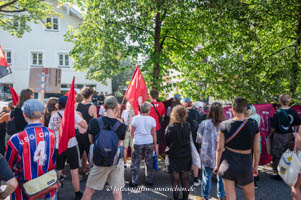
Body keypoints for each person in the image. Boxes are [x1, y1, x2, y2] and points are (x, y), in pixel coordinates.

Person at [6, 99, 57, 200]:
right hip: (48, 186)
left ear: (24, 114)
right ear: (42, 114)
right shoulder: (51, 134)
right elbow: (53, 158)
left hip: (24, 191)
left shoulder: (16, 138)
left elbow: (8, 166)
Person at [214, 97, 260, 200]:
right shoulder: (253, 126)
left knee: (230, 197)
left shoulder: (224, 125)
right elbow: (257, 150)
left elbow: (219, 149)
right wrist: (255, 167)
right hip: (246, 165)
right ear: (246, 110)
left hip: (228, 164)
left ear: (232, 109)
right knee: (250, 198)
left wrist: (217, 166)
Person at [82, 96, 126, 200]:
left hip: (99, 161)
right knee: (117, 192)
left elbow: (91, 141)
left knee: (88, 192)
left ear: (104, 106)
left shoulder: (94, 122)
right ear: (116, 107)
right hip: (115, 161)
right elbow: (119, 144)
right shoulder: (121, 126)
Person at [48, 96, 88, 200]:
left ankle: (55, 194)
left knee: (58, 171)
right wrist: (81, 117)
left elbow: (50, 132)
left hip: (58, 146)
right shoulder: (73, 114)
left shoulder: (53, 116)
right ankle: (77, 194)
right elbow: (85, 126)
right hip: (71, 145)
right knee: (74, 171)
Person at [196, 102, 225, 200]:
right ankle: (221, 196)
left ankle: (205, 196)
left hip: (206, 154)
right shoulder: (225, 125)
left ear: (211, 111)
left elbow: (198, 139)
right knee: (221, 177)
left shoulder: (204, 124)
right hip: (222, 154)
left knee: (206, 176)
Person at [270, 94, 301, 179]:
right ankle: (287, 172)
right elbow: (298, 124)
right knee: (288, 154)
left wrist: (269, 134)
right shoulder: (293, 112)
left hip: (278, 136)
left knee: (278, 155)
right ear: (289, 101)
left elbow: (273, 127)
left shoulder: (278, 112)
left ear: (280, 101)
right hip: (289, 136)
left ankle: (279, 174)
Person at [165, 105, 192, 200]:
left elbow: (167, 141)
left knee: (175, 180)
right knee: (185, 179)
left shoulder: (170, 127)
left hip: (174, 155)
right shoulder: (188, 126)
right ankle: (185, 198)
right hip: (186, 155)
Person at [130, 102, 157, 187]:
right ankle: (149, 180)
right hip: (149, 141)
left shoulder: (135, 118)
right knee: (149, 161)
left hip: (137, 141)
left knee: (136, 162)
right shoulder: (152, 119)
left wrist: (132, 139)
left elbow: (132, 131)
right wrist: (155, 144)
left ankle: (135, 181)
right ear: (148, 110)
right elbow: (154, 133)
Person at [77, 87, 97, 174]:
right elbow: (95, 122)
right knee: (90, 154)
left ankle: (78, 172)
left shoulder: (76, 105)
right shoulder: (92, 107)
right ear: (91, 95)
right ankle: (91, 172)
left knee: (78, 154)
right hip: (88, 134)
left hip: (78, 132)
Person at [183, 97, 202, 186]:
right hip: (194, 139)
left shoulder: (181, 113)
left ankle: (185, 178)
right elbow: (199, 126)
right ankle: (195, 179)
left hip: (183, 139)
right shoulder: (196, 113)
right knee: (195, 158)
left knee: (185, 158)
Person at [149, 89, 166, 154]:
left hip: (148, 128)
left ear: (150, 96)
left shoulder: (147, 105)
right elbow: (163, 116)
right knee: (156, 145)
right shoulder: (161, 104)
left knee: (149, 145)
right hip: (157, 127)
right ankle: (156, 160)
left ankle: (149, 160)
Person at [121, 102, 135, 168]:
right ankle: (132, 163)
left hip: (125, 130)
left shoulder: (124, 111)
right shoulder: (135, 112)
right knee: (132, 148)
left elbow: (122, 120)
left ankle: (125, 163)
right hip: (133, 131)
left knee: (125, 148)